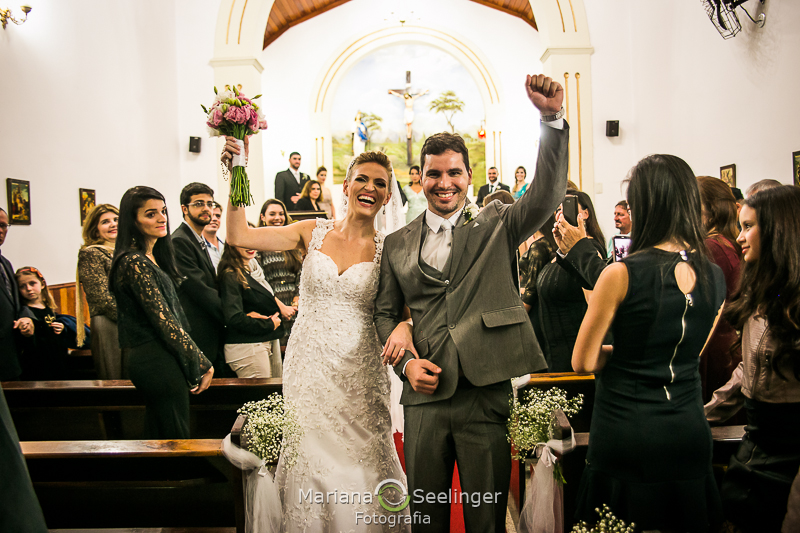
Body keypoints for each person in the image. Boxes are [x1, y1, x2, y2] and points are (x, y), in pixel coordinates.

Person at [375, 74, 568, 531]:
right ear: (419, 178)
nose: (445, 184)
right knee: (426, 518)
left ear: (469, 176)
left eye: (454, 172)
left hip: (485, 394)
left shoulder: (498, 224)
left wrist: (551, 119)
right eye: (435, 174)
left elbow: (546, 193)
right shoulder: (397, 243)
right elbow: (384, 312)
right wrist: (404, 367)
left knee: (485, 518)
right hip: (425, 399)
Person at [222, 142, 409, 531]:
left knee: (362, 457)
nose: (369, 188)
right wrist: (238, 169)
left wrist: (406, 327)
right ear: (345, 184)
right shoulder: (311, 232)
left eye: (379, 183)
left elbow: (403, 312)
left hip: (360, 372)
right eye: (362, 178)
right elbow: (239, 234)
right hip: (309, 371)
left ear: (388, 195)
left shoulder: (389, 248)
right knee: (309, 454)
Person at [572, 154, 726, 532]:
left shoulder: (621, 273)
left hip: (630, 432)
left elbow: (583, 361)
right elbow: (690, 350)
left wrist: (619, 354)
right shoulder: (715, 275)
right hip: (689, 430)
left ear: (644, 206)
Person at [705, 186, 800, 533]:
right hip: (755, 447)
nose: (739, 237)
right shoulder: (761, 295)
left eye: (748, 227)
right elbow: (747, 371)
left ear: (778, 230)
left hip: (790, 457)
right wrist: (702, 416)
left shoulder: (795, 307)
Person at [110, 186, 213, 439]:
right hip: (152, 356)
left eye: (163, 211)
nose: (161, 218)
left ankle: (160, 478)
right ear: (132, 220)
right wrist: (201, 362)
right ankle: (173, 478)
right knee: (174, 435)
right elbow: (164, 321)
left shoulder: (151, 257)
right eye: (150, 214)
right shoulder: (133, 262)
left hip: (162, 354)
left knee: (160, 433)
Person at [537, 190, 606, 371]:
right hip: (554, 354)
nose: (560, 215)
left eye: (566, 209)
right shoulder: (561, 252)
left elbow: (595, 305)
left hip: (573, 355)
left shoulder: (590, 251)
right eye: (558, 210)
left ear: (585, 214)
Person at [172, 183, 226, 376]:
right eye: (199, 203)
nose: (206, 209)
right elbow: (199, 289)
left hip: (209, 327)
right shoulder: (180, 241)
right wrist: (234, 315)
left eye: (209, 204)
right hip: (196, 329)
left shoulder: (197, 238)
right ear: (184, 209)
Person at [697, 176, 742, 402]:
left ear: (711, 212)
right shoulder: (726, 241)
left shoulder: (711, 247)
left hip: (714, 346)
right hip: (727, 344)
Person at [219, 240, 284, 378]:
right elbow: (234, 317)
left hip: (258, 344)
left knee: (267, 396)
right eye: (243, 242)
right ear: (232, 244)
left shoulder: (250, 271)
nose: (250, 246)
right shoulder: (231, 274)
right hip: (247, 347)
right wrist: (269, 324)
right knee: (259, 397)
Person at [77, 204, 123, 379]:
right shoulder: (91, 254)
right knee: (115, 377)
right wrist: (132, 317)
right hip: (109, 322)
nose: (113, 224)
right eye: (105, 222)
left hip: (132, 322)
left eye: (116, 220)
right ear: (95, 231)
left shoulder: (130, 251)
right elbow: (101, 298)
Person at [257, 199, 301, 346]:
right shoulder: (257, 244)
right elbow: (257, 281)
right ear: (263, 217)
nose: (277, 218)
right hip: (271, 304)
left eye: (281, 214)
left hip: (297, 306)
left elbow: (302, 273)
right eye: (272, 214)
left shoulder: (292, 242)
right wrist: (280, 307)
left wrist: (297, 298)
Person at [15, 266, 69, 380]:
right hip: (37, 367)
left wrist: (62, 329)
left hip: (57, 363)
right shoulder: (23, 313)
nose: (28, 288)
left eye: (32, 283)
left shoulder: (49, 308)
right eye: (22, 286)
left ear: (42, 284)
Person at [0, 207, 34, 381]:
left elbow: (16, 302)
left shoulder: (5, 263)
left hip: (11, 352)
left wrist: (26, 317)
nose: (1, 230)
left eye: (4, 226)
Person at [202, 202, 225, 270]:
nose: (214, 219)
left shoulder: (226, 246)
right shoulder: (197, 246)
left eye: (218, 216)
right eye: (210, 215)